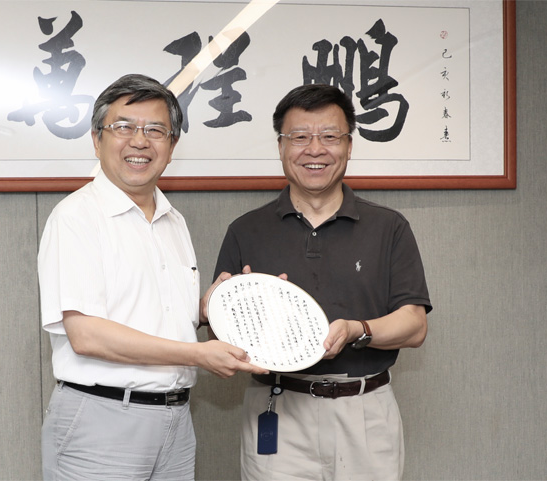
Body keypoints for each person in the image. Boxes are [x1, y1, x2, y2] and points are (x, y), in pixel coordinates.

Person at [38, 73, 266, 480]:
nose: (140, 141)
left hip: (176, 421)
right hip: (102, 420)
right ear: (96, 139)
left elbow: (156, 313)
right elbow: (86, 335)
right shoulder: (76, 217)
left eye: (155, 130)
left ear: (172, 146)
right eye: (124, 127)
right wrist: (197, 354)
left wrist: (214, 307)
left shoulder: (172, 220)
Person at [211, 84, 432, 480]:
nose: (315, 149)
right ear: (281, 146)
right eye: (300, 137)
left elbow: (414, 325)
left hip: (365, 409)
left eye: (330, 136)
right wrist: (230, 312)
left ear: (349, 146)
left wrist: (356, 330)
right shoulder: (246, 230)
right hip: (278, 405)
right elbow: (217, 333)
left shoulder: (389, 227)